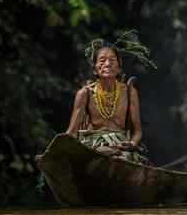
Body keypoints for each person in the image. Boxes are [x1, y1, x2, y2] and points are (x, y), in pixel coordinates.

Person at [65, 33, 155, 164]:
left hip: (121, 146)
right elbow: (71, 133)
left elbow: (138, 132)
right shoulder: (85, 93)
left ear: (119, 68)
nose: (107, 64)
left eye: (112, 60)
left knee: (124, 162)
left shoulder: (129, 92)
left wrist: (131, 144)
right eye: (102, 60)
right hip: (92, 146)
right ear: (95, 70)